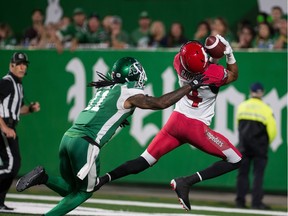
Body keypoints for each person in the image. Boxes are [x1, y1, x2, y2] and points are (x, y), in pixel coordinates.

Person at [15, 56, 207, 215]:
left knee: (71, 188)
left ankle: (43, 178)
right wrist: (190, 86)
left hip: (68, 138)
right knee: (84, 192)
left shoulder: (108, 89)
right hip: (85, 143)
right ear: (132, 74)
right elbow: (160, 103)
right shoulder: (128, 92)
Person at [93, 35, 242, 211]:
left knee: (145, 159)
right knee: (236, 159)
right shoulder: (213, 73)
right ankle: (186, 182)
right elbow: (233, 74)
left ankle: (103, 180)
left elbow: (197, 63)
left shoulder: (178, 62)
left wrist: (211, 56)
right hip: (195, 127)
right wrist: (228, 52)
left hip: (176, 121)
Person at [0, 52, 40, 210]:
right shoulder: (7, 82)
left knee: (14, 165)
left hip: (10, 127)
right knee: (11, 166)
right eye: (19, 64)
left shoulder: (18, 85)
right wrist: (4, 127)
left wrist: (30, 109)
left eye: (24, 64)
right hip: (4, 127)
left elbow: (17, 109)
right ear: (11, 66)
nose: (22, 67)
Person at [235, 82, 277, 210]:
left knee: (242, 174)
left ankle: (240, 201)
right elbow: (272, 130)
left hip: (244, 145)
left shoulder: (242, 106)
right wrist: (266, 143)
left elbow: (238, 125)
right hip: (260, 146)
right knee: (258, 174)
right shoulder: (266, 108)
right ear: (262, 92)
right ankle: (256, 202)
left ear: (250, 91)